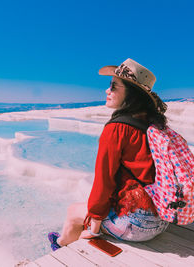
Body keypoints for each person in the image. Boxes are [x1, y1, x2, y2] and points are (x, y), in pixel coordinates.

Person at [48, 58, 170, 251]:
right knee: (85, 218)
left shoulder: (117, 128)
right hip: (163, 218)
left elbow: (104, 180)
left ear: (131, 94)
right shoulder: (154, 125)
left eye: (114, 86)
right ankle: (69, 241)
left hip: (138, 224)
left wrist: (95, 226)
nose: (107, 90)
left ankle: (59, 246)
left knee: (73, 213)